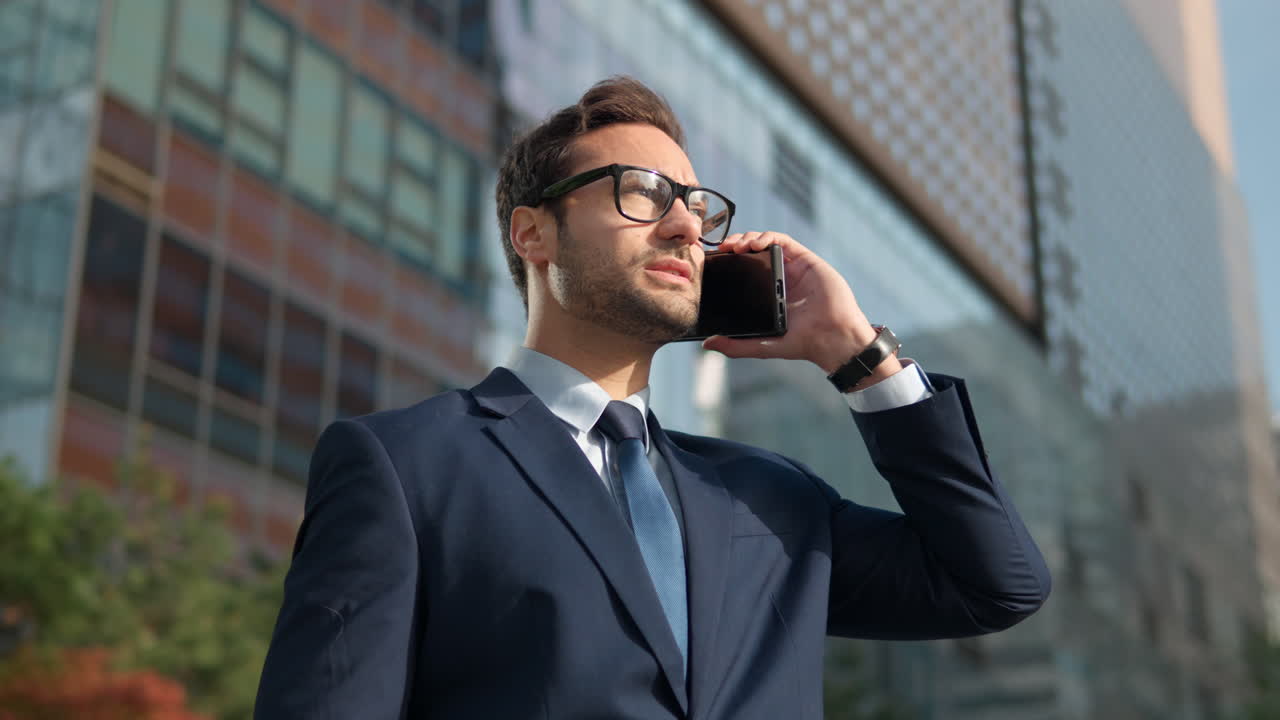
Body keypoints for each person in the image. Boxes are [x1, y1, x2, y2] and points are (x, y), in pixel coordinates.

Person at [254, 76, 1050, 719]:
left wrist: (861, 357)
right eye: (642, 192)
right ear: (533, 234)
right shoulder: (406, 465)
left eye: (697, 208)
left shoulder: (772, 501)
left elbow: (996, 582)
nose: (683, 227)